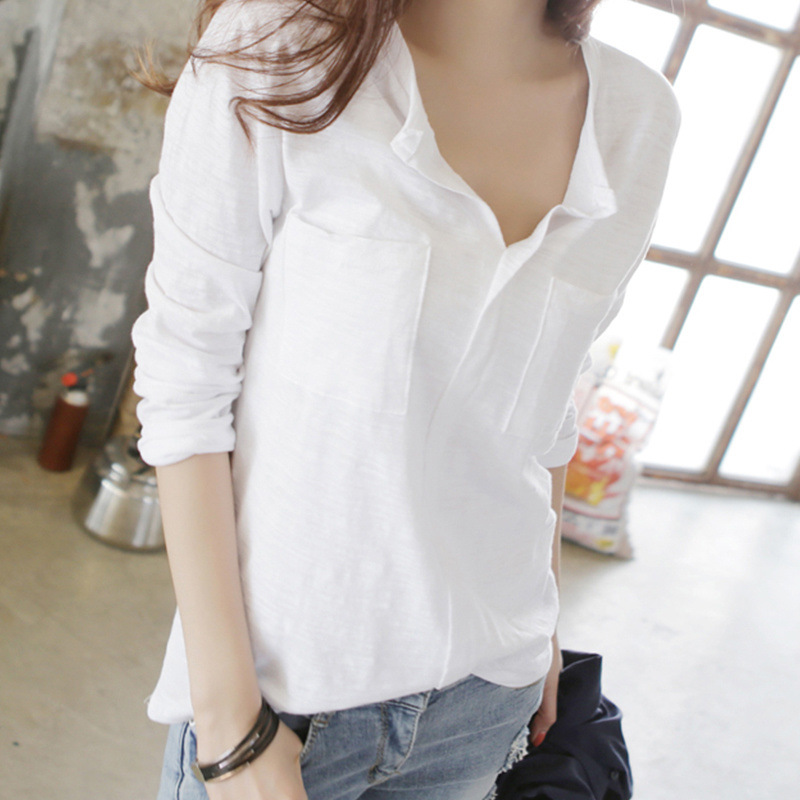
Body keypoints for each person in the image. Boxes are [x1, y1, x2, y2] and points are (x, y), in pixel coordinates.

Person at [130, 0, 680, 798]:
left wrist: (544, 623)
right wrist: (228, 728)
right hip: (285, 700)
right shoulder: (279, 42)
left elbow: (545, 409)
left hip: (487, 700)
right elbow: (186, 379)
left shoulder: (640, 115)